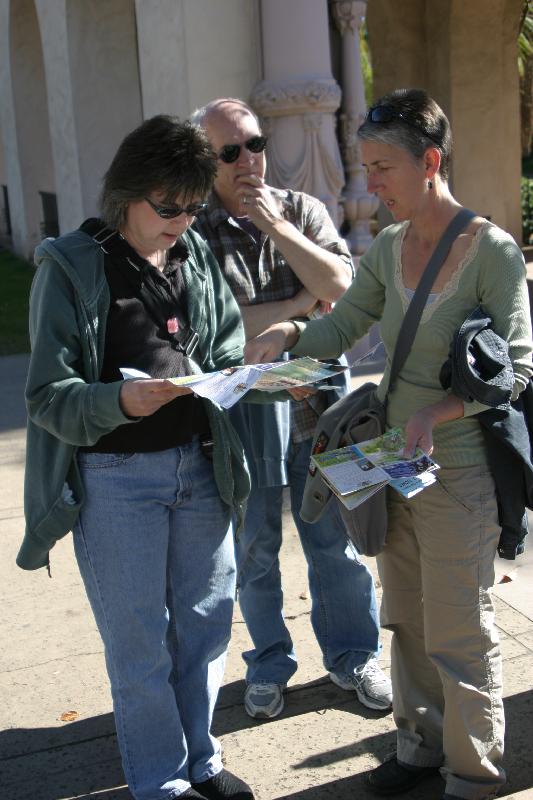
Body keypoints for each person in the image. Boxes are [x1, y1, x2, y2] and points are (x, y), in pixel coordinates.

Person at [243, 88, 533, 800]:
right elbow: (340, 329)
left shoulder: (491, 252)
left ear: (429, 162)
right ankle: (417, 748)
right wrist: (285, 340)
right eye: (365, 167)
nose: (368, 186)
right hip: (393, 466)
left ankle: (472, 776)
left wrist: (441, 408)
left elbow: (519, 367)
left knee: (459, 635)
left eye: (381, 167)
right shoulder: (390, 247)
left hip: (459, 473)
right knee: (403, 618)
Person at [19, 116, 255, 800]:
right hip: (117, 479)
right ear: (126, 193)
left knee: (206, 627)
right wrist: (122, 404)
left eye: (193, 207)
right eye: (168, 207)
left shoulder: (194, 255)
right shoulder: (70, 266)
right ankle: (160, 783)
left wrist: (251, 376)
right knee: (140, 645)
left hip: (200, 467)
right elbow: (46, 396)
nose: (181, 221)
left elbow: (226, 348)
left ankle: (202, 761)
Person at [191, 98, 392, 720]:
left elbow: (348, 289)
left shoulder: (299, 208)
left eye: (255, 144)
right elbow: (215, 333)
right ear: (207, 160)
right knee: (254, 545)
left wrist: (279, 230)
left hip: (324, 406)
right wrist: (302, 305)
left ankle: (355, 657)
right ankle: (269, 664)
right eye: (231, 151)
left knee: (339, 540)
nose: (248, 159)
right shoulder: (193, 229)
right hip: (245, 412)